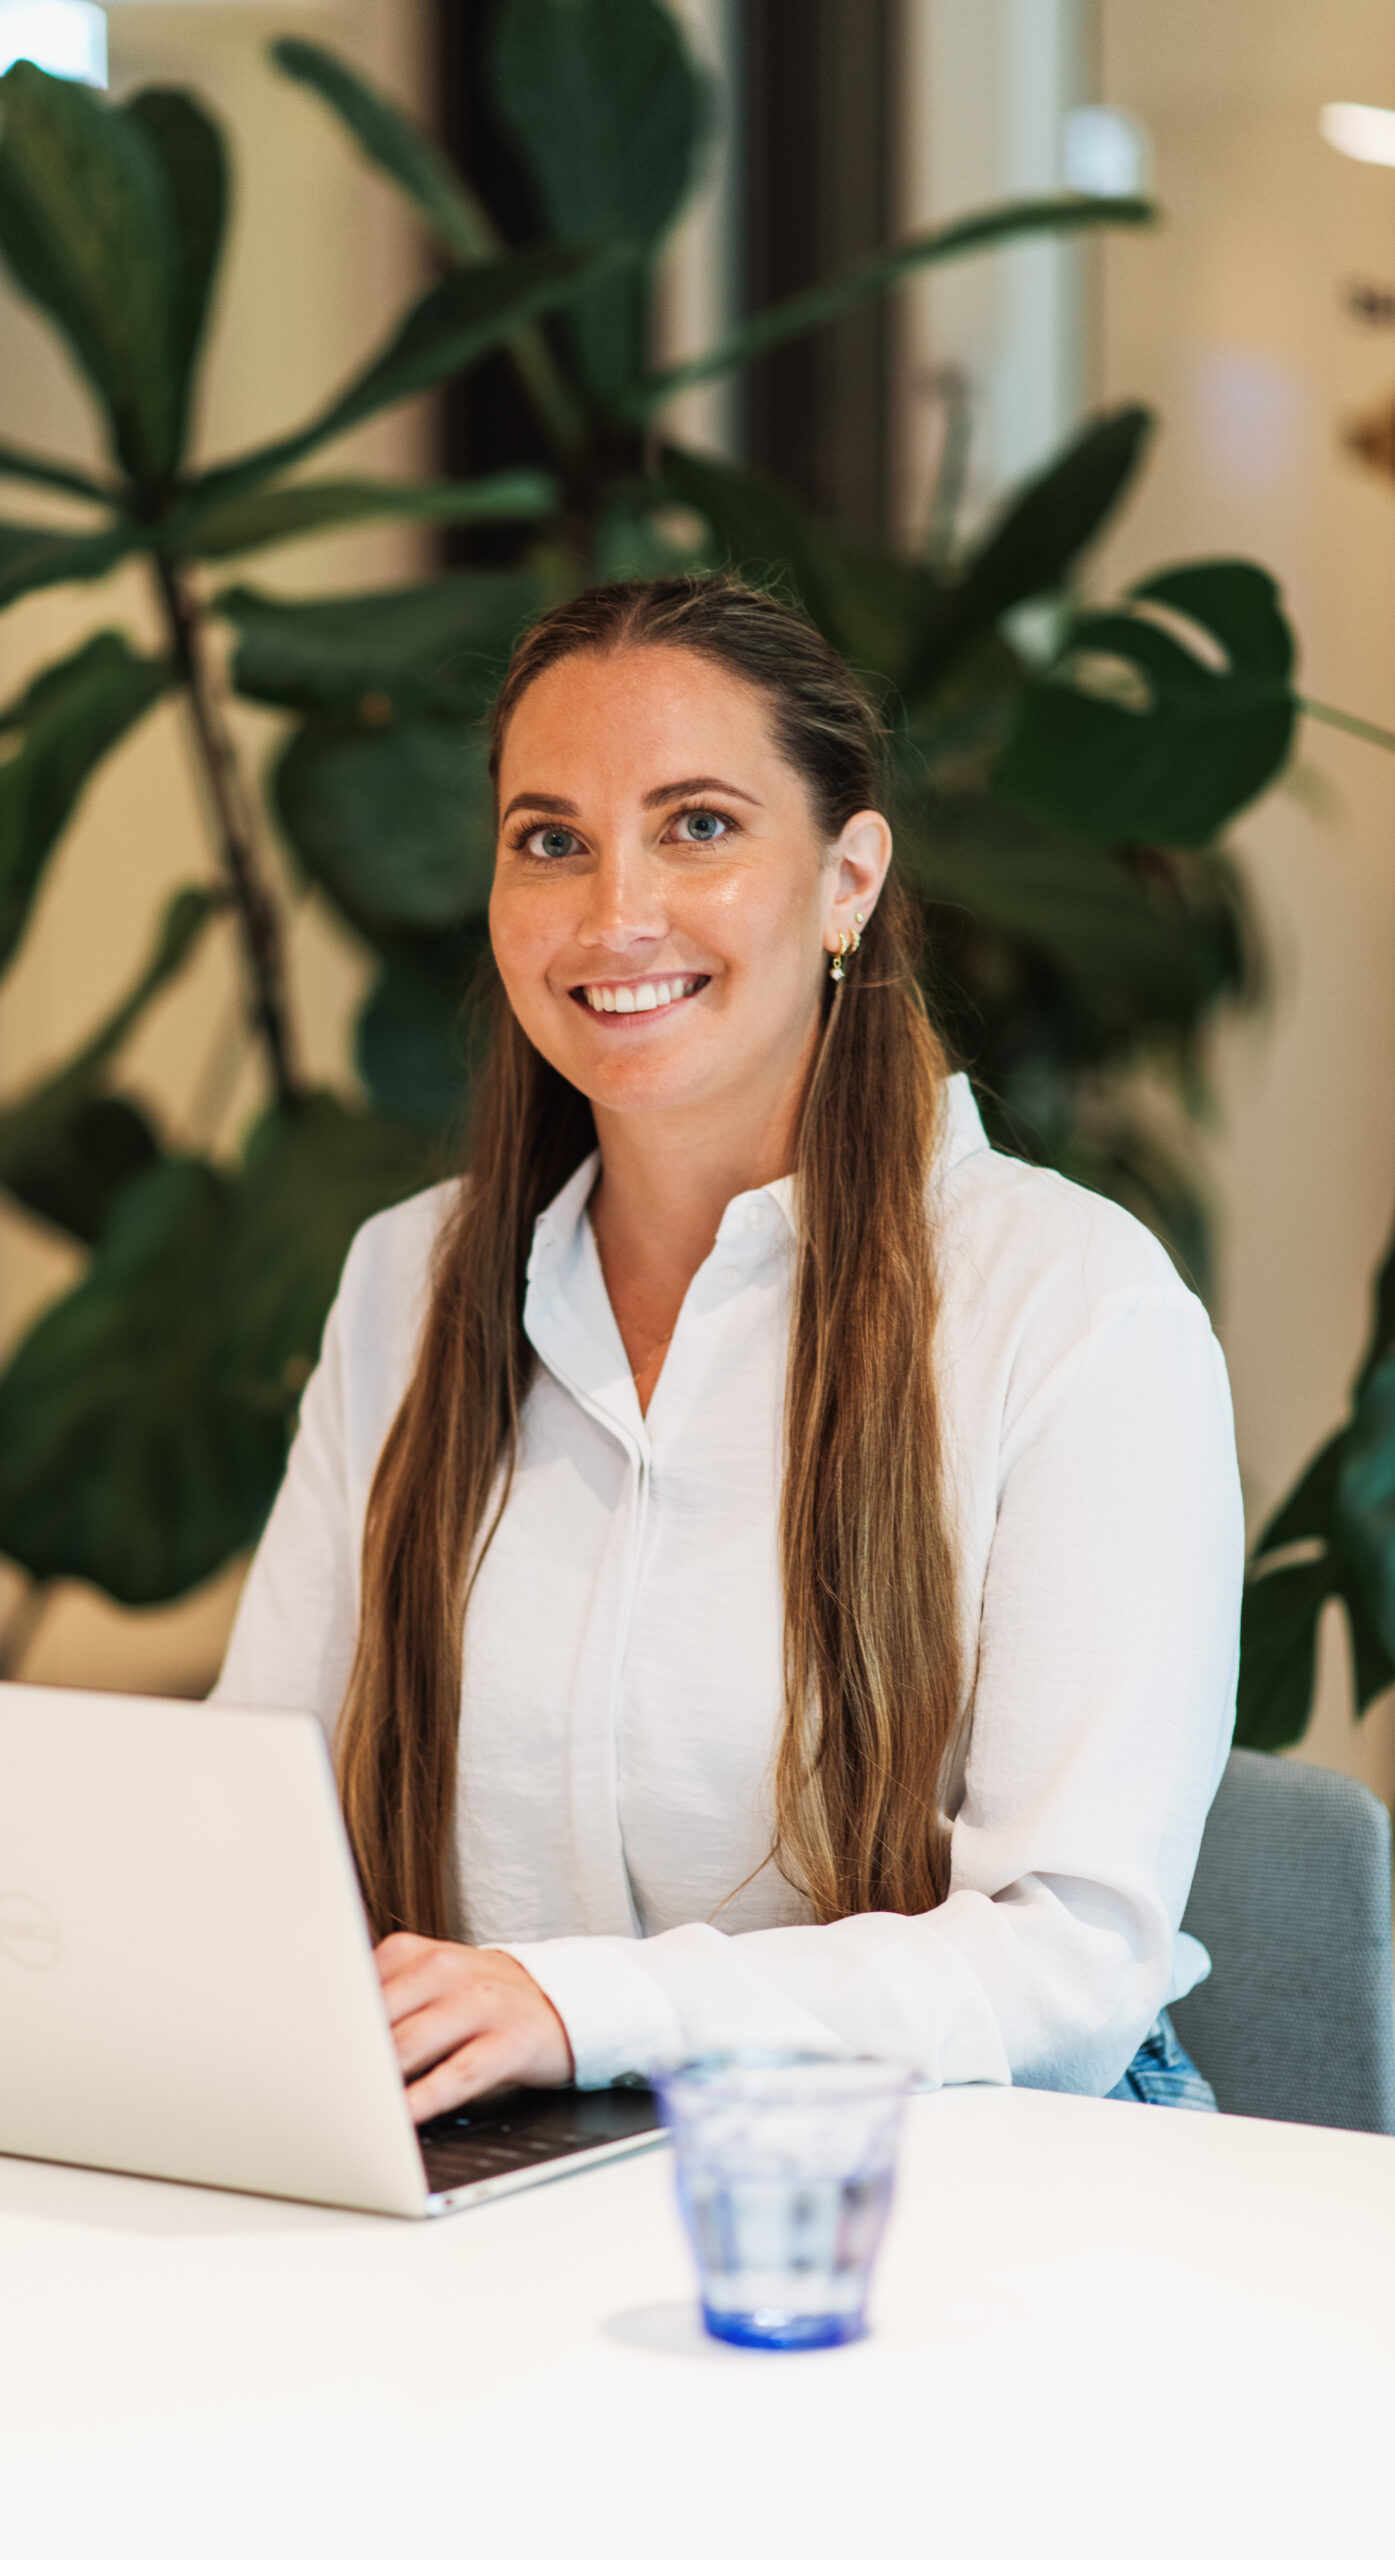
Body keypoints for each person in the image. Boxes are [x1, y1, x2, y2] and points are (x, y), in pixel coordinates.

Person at [214, 576, 1242, 2125]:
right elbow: (254, 1827)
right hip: (528, 2153)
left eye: (697, 826)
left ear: (848, 881)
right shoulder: (405, 1285)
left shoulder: (1074, 1305)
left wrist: (584, 2008)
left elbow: (1073, 1968)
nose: (613, 914)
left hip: (962, 2168)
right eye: (550, 841)